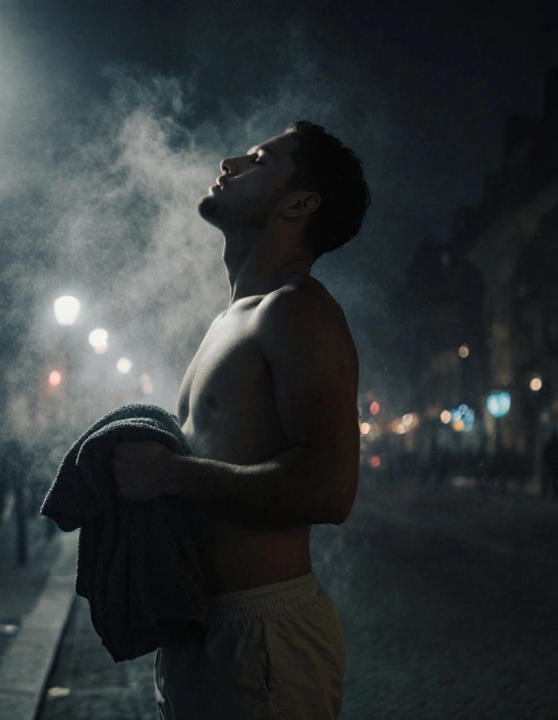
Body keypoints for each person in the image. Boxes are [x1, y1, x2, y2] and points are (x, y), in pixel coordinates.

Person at [111, 121, 368, 719]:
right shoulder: (232, 319)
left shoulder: (297, 309)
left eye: (257, 160)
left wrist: (169, 477)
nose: (228, 162)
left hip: (262, 633)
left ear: (299, 203)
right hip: (207, 632)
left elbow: (332, 489)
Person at [541, 430, 558, 501]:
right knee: (556, 482)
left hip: (552, 465)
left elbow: (545, 454)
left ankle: (548, 495)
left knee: (551, 481)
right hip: (557, 466)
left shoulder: (550, 444)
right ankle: (555, 495)